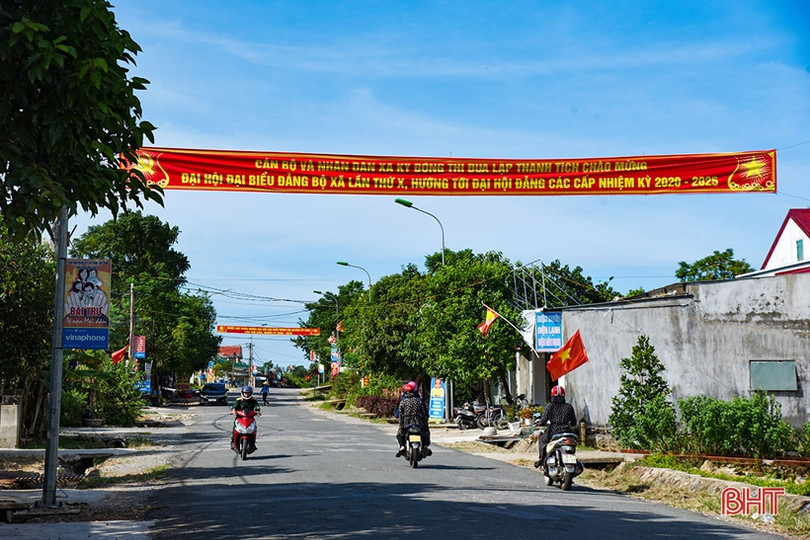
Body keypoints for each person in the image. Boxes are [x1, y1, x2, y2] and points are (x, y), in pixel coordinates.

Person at [534, 385, 577, 471]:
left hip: (553, 431)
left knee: (542, 440)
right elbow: (574, 422)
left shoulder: (550, 407)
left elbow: (543, 421)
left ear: (552, 396)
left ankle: (541, 460)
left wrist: (538, 423)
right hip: (567, 430)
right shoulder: (569, 407)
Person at [395, 381, 431, 457]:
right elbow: (424, 413)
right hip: (419, 422)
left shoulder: (403, 402)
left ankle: (402, 446)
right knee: (426, 432)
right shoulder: (419, 400)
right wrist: (425, 421)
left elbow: (399, 415)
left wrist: (399, 421)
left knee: (399, 434)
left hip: (406, 423)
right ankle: (425, 446)